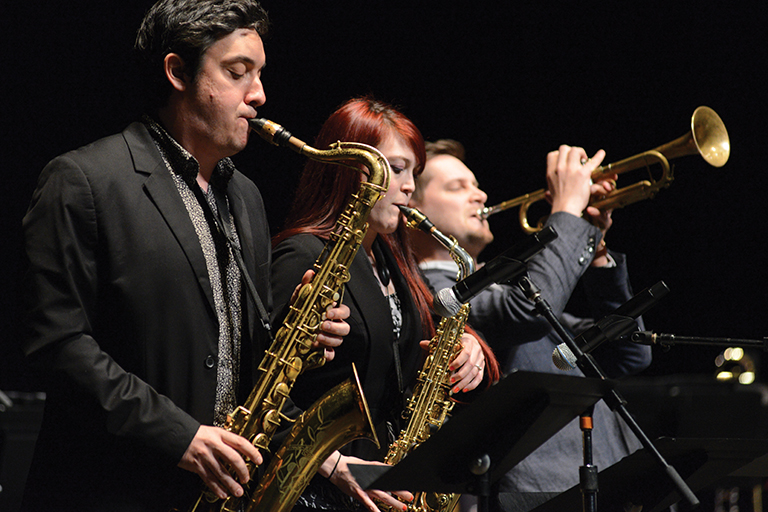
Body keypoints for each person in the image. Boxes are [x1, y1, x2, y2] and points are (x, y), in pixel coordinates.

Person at [19, 2, 351, 510]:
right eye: (238, 72)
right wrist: (181, 436)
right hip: (112, 486)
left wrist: (298, 335)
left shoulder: (247, 196)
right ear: (177, 71)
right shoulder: (83, 179)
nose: (259, 95)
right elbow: (57, 344)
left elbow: (231, 354)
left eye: (259, 74)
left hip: (219, 491)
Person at [270, 98, 500, 512]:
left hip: (383, 486)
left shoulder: (397, 263)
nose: (410, 185)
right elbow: (263, 386)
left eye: (413, 170)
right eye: (396, 169)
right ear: (350, 168)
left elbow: (443, 338)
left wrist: (472, 352)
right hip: (314, 492)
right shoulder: (304, 255)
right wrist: (333, 463)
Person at [409, 139, 652, 512]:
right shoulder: (432, 296)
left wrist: (596, 248)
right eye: (457, 187)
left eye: (476, 185)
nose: (480, 196)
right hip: (542, 497)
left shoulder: (505, 291)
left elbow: (630, 352)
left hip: (610, 489)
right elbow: (524, 312)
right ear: (412, 209)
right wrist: (567, 213)